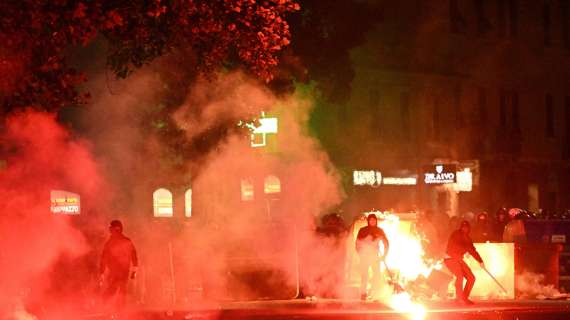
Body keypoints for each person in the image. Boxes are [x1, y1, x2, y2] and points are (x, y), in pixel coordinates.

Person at [100, 220, 138, 309]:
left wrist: (101, 272)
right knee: (121, 290)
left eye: (111, 229)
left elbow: (103, 259)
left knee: (114, 290)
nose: (110, 231)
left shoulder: (110, 243)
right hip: (124, 271)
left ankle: (107, 306)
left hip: (116, 272)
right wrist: (134, 271)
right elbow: (134, 257)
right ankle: (119, 309)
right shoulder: (127, 241)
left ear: (114, 229)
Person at [444, 220, 485, 305]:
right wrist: (462, 252)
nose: (465, 229)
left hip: (459, 260)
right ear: (461, 228)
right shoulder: (456, 234)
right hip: (450, 259)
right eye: (463, 227)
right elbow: (453, 246)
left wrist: (480, 261)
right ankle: (459, 299)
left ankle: (464, 298)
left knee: (471, 277)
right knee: (460, 276)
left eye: (466, 227)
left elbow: (472, 250)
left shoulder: (468, 238)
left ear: (469, 229)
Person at [355, 214, 389, 300]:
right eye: (371, 220)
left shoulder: (379, 230)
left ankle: (376, 293)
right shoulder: (363, 230)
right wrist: (360, 253)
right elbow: (357, 243)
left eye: (374, 220)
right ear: (368, 221)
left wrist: (384, 255)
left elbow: (386, 243)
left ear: (376, 221)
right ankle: (363, 293)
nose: (372, 222)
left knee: (376, 275)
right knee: (364, 275)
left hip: (375, 257)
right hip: (364, 256)